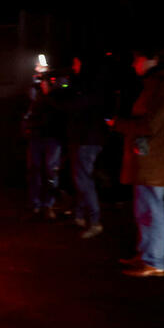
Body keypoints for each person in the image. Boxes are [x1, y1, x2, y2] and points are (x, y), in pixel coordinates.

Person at [109, 44, 164, 277]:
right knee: (145, 210)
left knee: (152, 209)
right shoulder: (155, 84)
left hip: (155, 161)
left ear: (153, 59)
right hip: (148, 160)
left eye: (137, 59)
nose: (134, 64)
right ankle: (146, 256)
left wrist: (118, 124)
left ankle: (155, 261)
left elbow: (150, 125)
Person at [53, 54, 110, 238]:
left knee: (84, 180)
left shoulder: (90, 87)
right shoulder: (84, 85)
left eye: (77, 63)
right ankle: (79, 216)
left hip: (87, 140)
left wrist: (52, 94)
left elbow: (71, 106)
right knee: (80, 179)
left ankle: (95, 221)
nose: (73, 66)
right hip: (81, 138)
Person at [22, 71, 66, 220]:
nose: (43, 84)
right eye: (42, 81)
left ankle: (48, 204)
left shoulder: (57, 94)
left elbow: (61, 109)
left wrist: (49, 92)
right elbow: (29, 106)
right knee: (34, 170)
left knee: (51, 171)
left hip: (53, 137)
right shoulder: (36, 95)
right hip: (36, 136)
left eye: (45, 81)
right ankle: (35, 204)